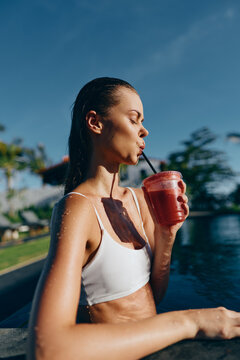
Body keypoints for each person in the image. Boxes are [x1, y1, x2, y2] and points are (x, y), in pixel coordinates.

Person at [27, 77, 240, 360]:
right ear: (95, 122)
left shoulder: (140, 200)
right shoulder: (77, 209)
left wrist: (167, 235)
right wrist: (191, 321)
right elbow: (47, 349)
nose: (145, 130)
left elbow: (151, 297)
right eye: (134, 119)